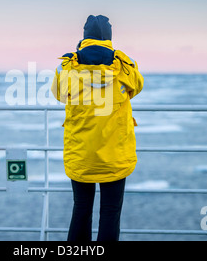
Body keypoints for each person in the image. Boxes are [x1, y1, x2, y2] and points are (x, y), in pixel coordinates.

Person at [51, 15, 144, 241]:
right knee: (110, 213)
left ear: (84, 37)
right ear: (109, 38)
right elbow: (138, 87)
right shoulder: (124, 65)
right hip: (115, 154)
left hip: (81, 154)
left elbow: (59, 95)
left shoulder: (67, 67)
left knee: (81, 209)